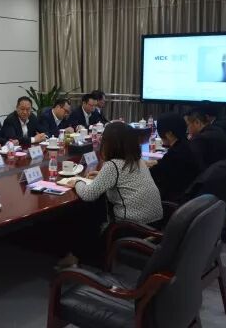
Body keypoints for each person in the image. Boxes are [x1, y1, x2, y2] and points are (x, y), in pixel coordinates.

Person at [61, 122, 163, 267]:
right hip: (154, 224)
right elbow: (123, 178)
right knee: (96, 209)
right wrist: (101, 175)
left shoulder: (113, 165)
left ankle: (77, 257)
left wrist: (77, 182)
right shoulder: (137, 160)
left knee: (88, 213)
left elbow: (88, 194)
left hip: (130, 228)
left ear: (110, 144)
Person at [146, 112, 203, 202]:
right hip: (187, 196)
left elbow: (152, 175)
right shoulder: (187, 145)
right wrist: (154, 162)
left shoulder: (175, 154)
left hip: (172, 200)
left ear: (169, 134)